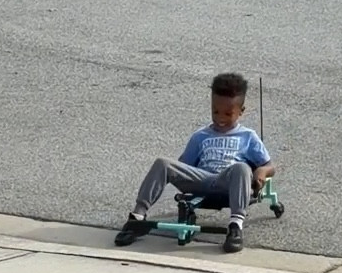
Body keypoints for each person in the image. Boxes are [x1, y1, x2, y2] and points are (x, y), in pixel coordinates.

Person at [114, 71, 273, 255]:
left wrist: (262, 172)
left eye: (228, 113)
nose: (220, 118)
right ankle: (137, 217)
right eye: (215, 111)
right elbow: (184, 166)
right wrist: (178, 172)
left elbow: (269, 165)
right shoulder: (201, 136)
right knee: (163, 163)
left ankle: (236, 226)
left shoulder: (248, 136)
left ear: (241, 112)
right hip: (202, 180)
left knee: (242, 168)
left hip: (228, 182)